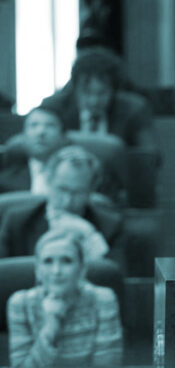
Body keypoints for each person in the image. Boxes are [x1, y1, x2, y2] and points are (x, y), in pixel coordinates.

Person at [6, 227, 123, 366]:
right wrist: (51, 327)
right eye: (48, 261)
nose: (56, 271)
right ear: (38, 270)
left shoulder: (103, 300)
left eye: (66, 261)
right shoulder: (20, 304)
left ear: (82, 268)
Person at [0, 146, 124, 267]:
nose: (67, 201)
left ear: (91, 190)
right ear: (48, 181)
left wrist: (91, 238)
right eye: (62, 189)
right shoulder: (17, 222)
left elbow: (114, 279)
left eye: (78, 192)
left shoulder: (111, 226)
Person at [40, 47, 158, 151]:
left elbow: (148, 157)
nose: (94, 101)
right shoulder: (53, 108)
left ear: (114, 91)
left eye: (102, 93)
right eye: (86, 92)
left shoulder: (133, 110)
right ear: (74, 89)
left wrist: (65, 137)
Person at [0, 106, 69, 194]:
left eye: (50, 125)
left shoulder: (80, 176)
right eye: (34, 125)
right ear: (23, 135)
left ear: (63, 136)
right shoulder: (4, 181)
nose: (41, 132)